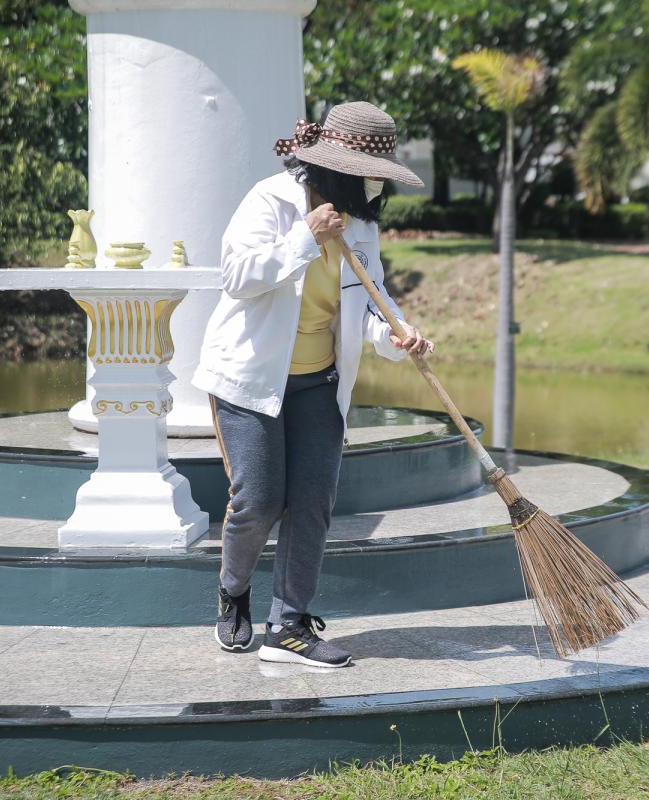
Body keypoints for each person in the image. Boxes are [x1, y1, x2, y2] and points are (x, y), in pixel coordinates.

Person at [192, 101, 434, 668]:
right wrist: (305, 236)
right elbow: (236, 276)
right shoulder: (269, 201)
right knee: (258, 500)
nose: (372, 189)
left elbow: (368, 298)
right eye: (365, 177)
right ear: (330, 168)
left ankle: (289, 626)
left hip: (319, 381)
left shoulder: (362, 223)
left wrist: (397, 335)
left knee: (313, 502)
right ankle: (233, 590)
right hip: (250, 379)